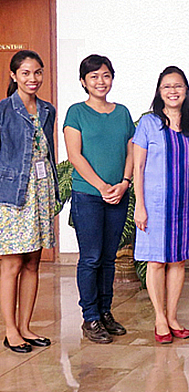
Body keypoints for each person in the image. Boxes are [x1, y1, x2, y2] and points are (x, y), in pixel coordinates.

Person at [132, 66, 189, 344]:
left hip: (185, 204)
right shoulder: (148, 124)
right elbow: (138, 167)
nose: (173, 91)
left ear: (186, 90)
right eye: (167, 87)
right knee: (156, 261)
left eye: (178, 86)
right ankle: (159, 319)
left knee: (178, 260)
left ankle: (173, 316)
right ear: (159, 92)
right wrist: (139, 205)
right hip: (154, 205)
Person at [64, 54, 134, 344]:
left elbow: (132, 152)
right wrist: (102, 186)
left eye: (105, 75)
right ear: (83, 81)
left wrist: (123, 183)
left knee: (108, 259)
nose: (100, 81)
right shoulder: (76, 112)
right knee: (91, 258)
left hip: (118, 194)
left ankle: (105, 312)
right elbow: (75, 155)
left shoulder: (123, 113)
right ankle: (90, 317)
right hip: (88, 196)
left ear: (112, 78)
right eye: (93, 76)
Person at [0, 50, 57, 353]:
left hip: (42, 189)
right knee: (12, 264)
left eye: (37, 72)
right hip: (12, 194)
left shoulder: (47, 109)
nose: (32, 78)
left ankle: (25, 326)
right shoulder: (3, 110)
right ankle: (10, 331)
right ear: (13, 76)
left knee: (33, 261)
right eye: (25, 73)